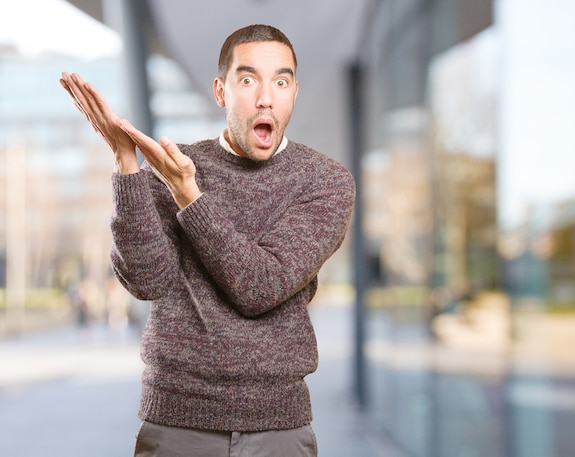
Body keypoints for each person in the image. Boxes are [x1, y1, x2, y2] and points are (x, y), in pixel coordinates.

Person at [59, 24, 355, 457]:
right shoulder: (172, 166)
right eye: (248, 79)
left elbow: (260, 286)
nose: (266, 97)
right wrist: (126, 164)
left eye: (281, 80)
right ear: (221, 92)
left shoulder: (325, 182)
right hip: (175, 424)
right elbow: (146, 281)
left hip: (278, 431)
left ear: (294, 92)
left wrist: (189, 195)